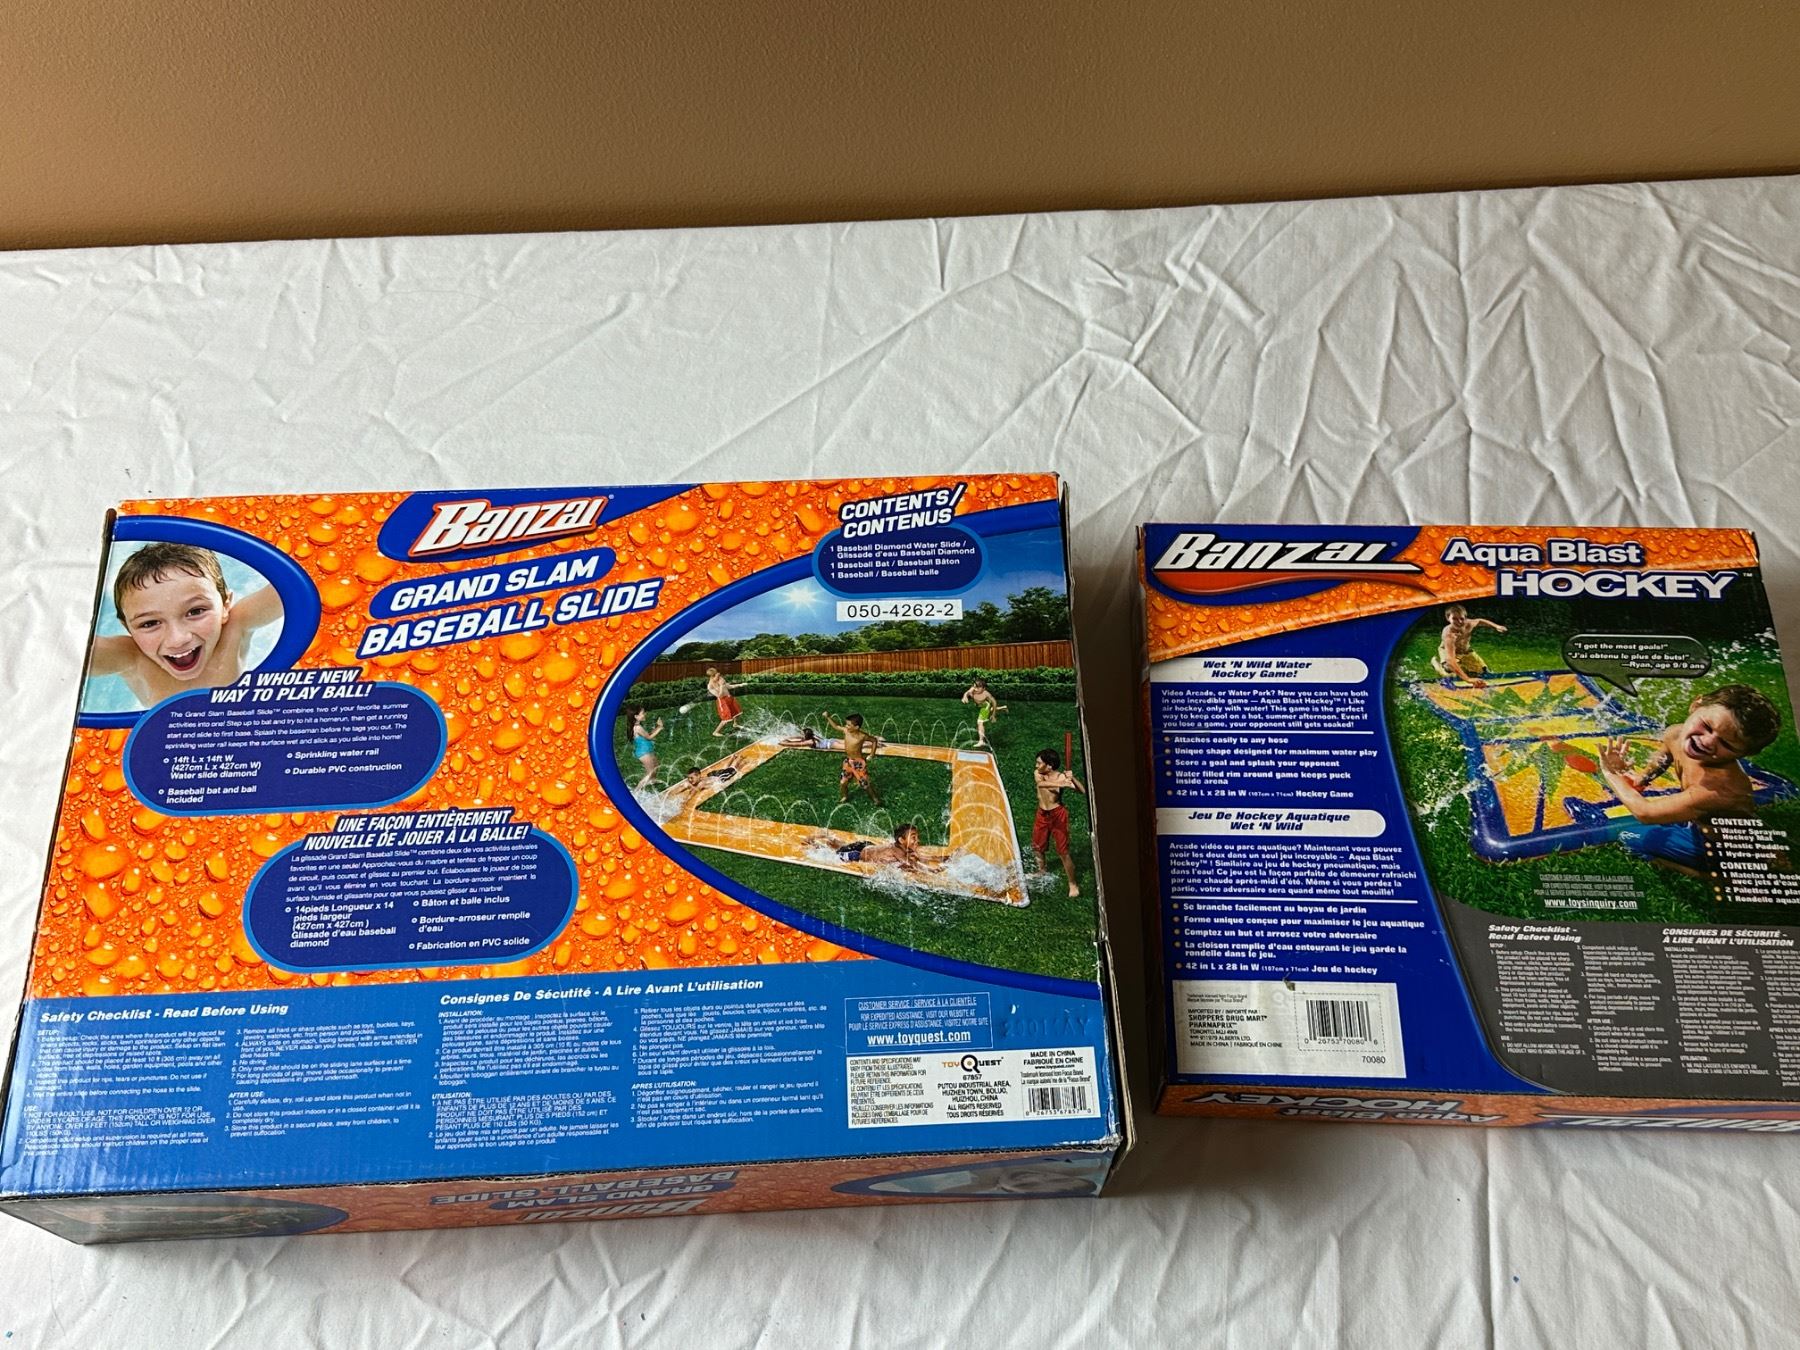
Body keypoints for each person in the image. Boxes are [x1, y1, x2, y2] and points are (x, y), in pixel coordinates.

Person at [1596, 684, 1783, 870]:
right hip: (1704, 821)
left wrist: (1611, 773)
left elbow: (1645, 813)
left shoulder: (1719, 788)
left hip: (1718, 846)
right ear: (1696, 705)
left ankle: (1713, 875)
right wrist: (1642, 779)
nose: (1707, 742)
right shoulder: (1676, 733)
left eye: (1726, 744)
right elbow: (1664, 756)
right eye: (1707, 726)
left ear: (1744, 754)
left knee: (1628, 837)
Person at [89, 542, 283, 706]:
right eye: (150, 623)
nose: (178, 639)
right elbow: (74, 652)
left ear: (225, 606)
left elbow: (293, 587)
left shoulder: (235, 626)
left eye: (196, 611)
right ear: (127, 627)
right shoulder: (132, 657)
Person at [1032, 747, 1087, 898]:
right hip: (1042, 814)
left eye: (1039, 763)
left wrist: (1072, 779)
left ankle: (1073, 884)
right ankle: (1041, 871)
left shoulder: (1061, 777)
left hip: (1058, 815)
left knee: (1063, 852)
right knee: (1038, 846)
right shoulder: (1039, 774)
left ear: (1049, 765)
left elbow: (1082, 791)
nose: (1036, 766)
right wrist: (1063, 784)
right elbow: (1041, 785)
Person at [805, 823, 932, 874]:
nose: (917, 840)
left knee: (843, 846)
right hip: (857, 854)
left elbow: (915, 859)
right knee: (834, 853)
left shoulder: (901, 848)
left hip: (867, 846)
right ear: (901, 840)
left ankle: (828, 837)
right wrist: (931, 870)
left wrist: (937, 859)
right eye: (913, 837)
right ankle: (815, 844)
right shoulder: (897, 851)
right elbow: (911, 865)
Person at [1430, 604, 1506, 685]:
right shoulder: (1449, 635)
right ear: (1448, 618)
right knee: (1451, 673)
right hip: (1449, 652)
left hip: (1466, 651)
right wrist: (1468, 679)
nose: (1459, 622)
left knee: (1483, 673)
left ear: (1465, 618)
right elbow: (1450, 660)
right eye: (1454, 619)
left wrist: (1496, 626)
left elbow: (1480, 621)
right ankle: (1437, 665)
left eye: (1462, 618)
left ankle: (1464, 668)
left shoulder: (1469, 624)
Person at [825, 712, 883, 805]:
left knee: (864, 784)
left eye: (848, 725)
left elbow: (874, 740)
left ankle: (875, 799)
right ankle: (845, 796)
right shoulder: (846, 731)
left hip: (858, 763)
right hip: (848, 761)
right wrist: (828, 717)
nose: (846, 726)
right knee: (843, 782)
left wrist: (872, 754)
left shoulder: (862, 736)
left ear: (856, 727)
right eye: (846, 724)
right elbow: (836, 726)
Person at [960, 678, 1009, 749]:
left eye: (978, 688)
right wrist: (965, 697)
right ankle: (1003, 707)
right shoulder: (973, 689)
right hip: (980, 705)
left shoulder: (986, 694)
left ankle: (981, 741)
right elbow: (967, 692)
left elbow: (994, 703)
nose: (975, 689)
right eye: (975, 687)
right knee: (990, 710)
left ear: (983, 688)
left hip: (985, 706)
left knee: (980, 722)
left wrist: (993, 715)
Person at [629, 705, 665, 788]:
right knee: (650, 772)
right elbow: (649, 737)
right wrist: (660, 728)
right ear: (636, 716)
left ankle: (653, 780)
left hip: (647, 750)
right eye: (643, 713)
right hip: (643, 753)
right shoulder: (637, 727)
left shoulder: (639, 726)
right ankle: (636, 791)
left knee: (656, 765)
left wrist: (657, 727)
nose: (645, 714)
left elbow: (647, 734)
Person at [705, 666, 743, 737]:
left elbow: (729, 687)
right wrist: (721, 685)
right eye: (716, 674)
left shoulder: (720, 679)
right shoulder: (710, 686)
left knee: (736, 711)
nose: (718, 675)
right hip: (723, 701)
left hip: (729, 698)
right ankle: (715, 732)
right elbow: (719, 695)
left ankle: (735, 724)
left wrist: (740, 685)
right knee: (726, 717)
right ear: (712, 676)